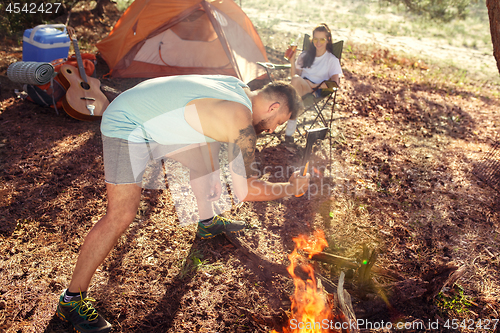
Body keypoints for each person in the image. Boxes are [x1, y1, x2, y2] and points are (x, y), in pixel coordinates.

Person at [55, 74, 310, 333]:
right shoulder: (241, 121)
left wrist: (210, 172)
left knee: (202, 164)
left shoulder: (237, 87)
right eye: (279, 122)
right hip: (127, 124)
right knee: (121, 215)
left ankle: (207, 223)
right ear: (273, 107)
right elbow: (245, 190)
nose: (273, 129)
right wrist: (289, 188)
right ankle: (71, 300)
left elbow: (207, 131)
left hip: (142, 110)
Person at [284, 23, 343, 144]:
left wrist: (313, 86)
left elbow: (335, 83)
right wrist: (292, 60)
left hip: (315, 92)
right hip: (299, 88)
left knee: (293, 86)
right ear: (312, 39)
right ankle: (289, 126)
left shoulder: (332, 60)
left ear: (328, 40)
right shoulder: (305, 55)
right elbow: (294, 77)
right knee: (295, 81)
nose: (318, 42)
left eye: (322, 39)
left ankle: (290, 124)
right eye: (315, 39)